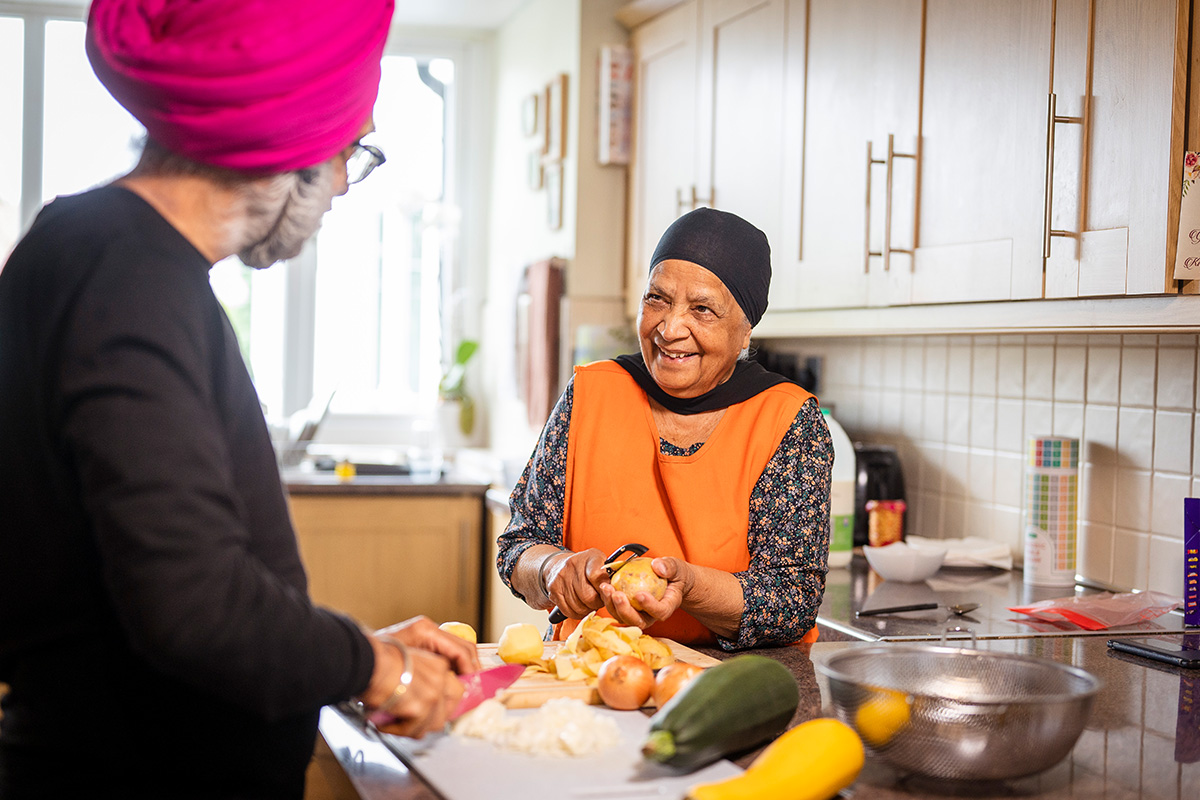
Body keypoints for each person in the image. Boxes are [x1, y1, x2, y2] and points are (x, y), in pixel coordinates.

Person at [0, 2, 480, 798]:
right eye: (349, 153)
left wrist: (346, 650)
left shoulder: (93, 249)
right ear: (291, 150)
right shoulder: (130, 277)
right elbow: (192, 601)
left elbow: (148, 582)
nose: (340, 189)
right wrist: (375, 665)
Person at [498, 208, 833, 650]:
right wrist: (551, 570)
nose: (671, 328)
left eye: (702, 309)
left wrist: (689, 587)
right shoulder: (591, 393)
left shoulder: (787, 421)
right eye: (657, 299)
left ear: (745, 331)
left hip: (723, 689)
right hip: (587, 672)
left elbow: (792, 599)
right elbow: (519, 545)